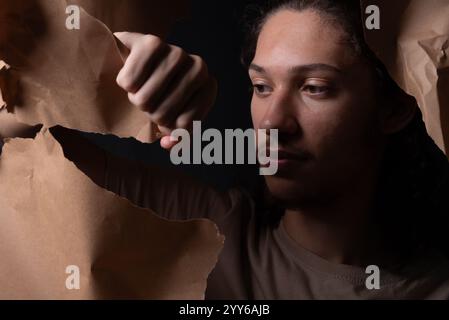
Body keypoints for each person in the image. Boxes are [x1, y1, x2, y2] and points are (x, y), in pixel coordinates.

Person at [2, 0, 449, 299]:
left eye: (314, 88)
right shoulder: (202, 226)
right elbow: (13, 150)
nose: (272, 122)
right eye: (261, 86)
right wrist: (98, 74)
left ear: (394, 109)